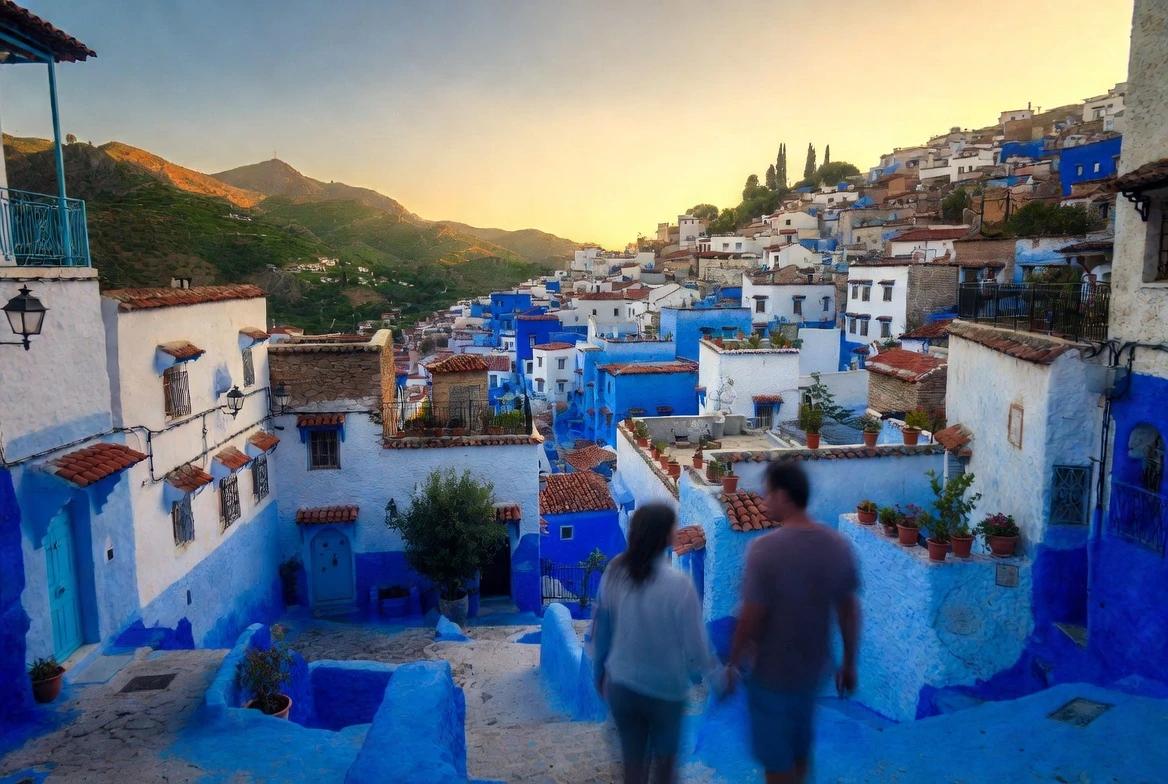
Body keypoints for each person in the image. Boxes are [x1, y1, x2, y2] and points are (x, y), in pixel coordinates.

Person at [727, 462, 860, 784]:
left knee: (777, 764)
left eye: (768, 493)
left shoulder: (764, 550)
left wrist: (733, 661)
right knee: (800, 753)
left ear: (784, 496)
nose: (763, 500)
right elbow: (849, 610)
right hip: (814, 672)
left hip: (772, 674)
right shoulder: (837, 546)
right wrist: (849, 665)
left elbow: (751, 614)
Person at [591, 502, 721, 784]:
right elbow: (697, 646)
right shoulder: (679, 585)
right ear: (665, 536)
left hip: (622, 685)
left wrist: (598, 673)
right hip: (666, 692)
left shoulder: (614, 571)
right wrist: (718, 679)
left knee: (633, 770)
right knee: (665, 770)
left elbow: (602, 630)